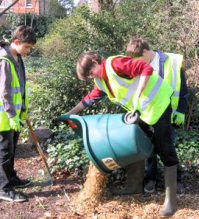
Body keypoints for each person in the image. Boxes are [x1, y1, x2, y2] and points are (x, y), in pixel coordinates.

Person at [67, 51, 179, 216]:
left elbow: (145, 68)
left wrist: (139, 96)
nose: (92, 76)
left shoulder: (115, 64)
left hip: (158, 104)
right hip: (143, 111)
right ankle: (134, 186)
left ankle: (171, 200)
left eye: (91, 72)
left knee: (165, 149)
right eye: (90, 76)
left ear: (94, 61)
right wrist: (71, 113)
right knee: (134, 144)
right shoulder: (101, 80)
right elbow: (92, 97)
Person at [126, 38, 189, 196]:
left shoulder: (172, 61)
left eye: (138, 59)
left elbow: (183, 88)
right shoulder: (138, 64)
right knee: (149, 148)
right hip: (146, 114)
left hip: (166, 113)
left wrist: (181, 109)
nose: (136, 63)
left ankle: (176, 181)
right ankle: (152, 178)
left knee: (167, 147)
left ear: (145, 52)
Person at [0, 25, 36, 202]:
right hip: (5, 116)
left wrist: (21, 111)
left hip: (15, 115)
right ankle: (4, 189)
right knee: (5, 151)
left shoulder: (17, 57)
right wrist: (11, 115)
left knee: (12, 149)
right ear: (16, 42)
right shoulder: (4, 61)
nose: (28, 51)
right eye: (27, 47)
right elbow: (4, 92)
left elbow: (20, 87)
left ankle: (12, 177)